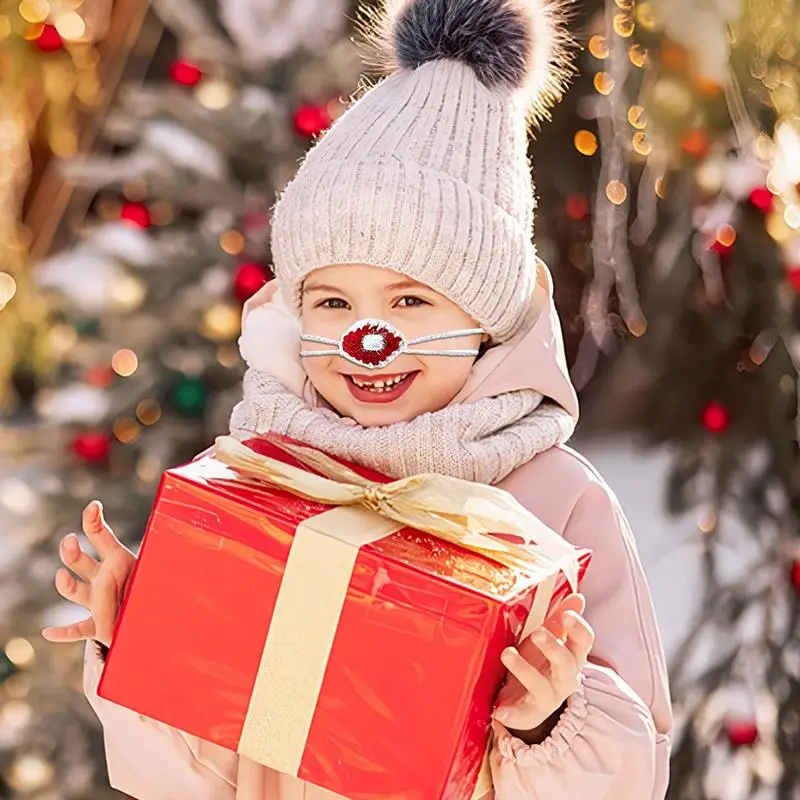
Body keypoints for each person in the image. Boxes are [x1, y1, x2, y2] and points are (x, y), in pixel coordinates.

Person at [43, 0, 673, 797]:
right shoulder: (253, 482)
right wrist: (146, 640)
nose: (365, 340)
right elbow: (191, 781)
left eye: (411, 303)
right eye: (334, 304)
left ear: (486, 321)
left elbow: (636, 773)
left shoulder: (559, 506)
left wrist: (551, 721)